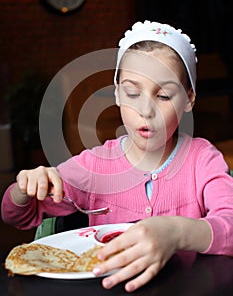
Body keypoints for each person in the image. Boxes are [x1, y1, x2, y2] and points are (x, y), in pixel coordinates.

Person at [2, 20, 233, 293]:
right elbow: (16, 215)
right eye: (133, 93)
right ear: (117, 94)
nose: (146, 110)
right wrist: (25, 188)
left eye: (164, 95)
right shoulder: (95, 166)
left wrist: (176, 232)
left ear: (189, 99)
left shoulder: (202, 160)